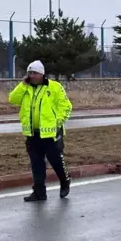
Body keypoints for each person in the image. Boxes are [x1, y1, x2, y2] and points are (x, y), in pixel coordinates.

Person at [8, 60, 73, 202]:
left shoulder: (55, 87)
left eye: (35, 73)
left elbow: (66, 107)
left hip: (51, 134)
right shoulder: (26, 88)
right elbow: (12, 99)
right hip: (32, 134)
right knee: (36, 163)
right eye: (30, 73)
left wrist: (58, 123)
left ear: (42, 74)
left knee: (56, 161)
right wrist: (22, 85)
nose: (32, 76)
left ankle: (65, 181)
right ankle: (39, 193)